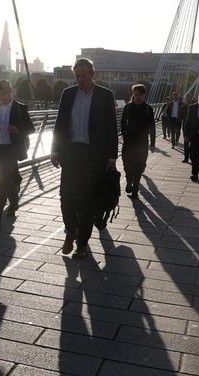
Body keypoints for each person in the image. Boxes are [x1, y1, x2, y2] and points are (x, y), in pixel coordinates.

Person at [51, 58, 118, 259]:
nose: (80, 79)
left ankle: (82, 244)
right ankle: (71, 229)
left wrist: (112, 156)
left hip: (94, 155)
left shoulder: (105, 96)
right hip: (71, 153)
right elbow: (60, 123)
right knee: (66, 196)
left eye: (83, 75)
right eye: (77, 76)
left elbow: (111, 128)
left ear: (92, 74)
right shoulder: (68, 94)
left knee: (88, 201)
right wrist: (55, 150)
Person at [0, 80, 35, 228]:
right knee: (7, 178)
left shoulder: (20, 108)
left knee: (3, 178)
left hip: (12, 147)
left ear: (10, 91)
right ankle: (14, 202)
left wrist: (18, 131)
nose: (2, 97)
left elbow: (31, 129)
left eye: (4, 93)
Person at [120, 84, 156, 200]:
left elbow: (152, 126)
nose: (138, 97)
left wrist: (153, 144)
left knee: (139, 165)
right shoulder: (128, 107)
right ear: (133, 94)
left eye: (140, 95)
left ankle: (135, 188)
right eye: (136, 94)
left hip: (142, 142)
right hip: (128, 142)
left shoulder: (148, 108)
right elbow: (122, 122)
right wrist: (124, 134)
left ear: (143, 95)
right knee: (126, 164)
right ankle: (129, 180)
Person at [177, 93, 194, 163]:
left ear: (191, 98)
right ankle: (186, 157)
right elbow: (179, 117)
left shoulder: (195, 107)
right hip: (185, 126)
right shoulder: (183, 107)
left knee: (193, 143)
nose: (187, 99)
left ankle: (192, 155)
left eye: (189, 97)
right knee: (186, 141)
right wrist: (177, 126)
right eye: (186, 98)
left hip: (194, 127)